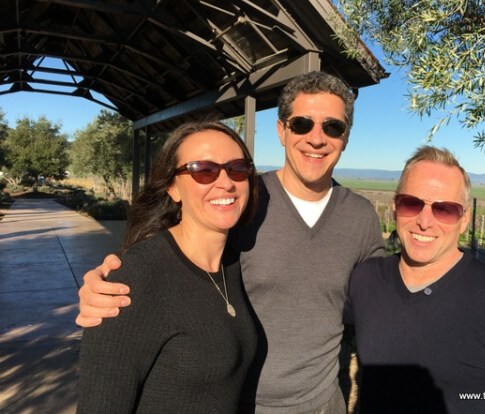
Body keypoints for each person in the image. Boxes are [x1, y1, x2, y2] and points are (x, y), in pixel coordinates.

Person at [75, 71, 385, 413]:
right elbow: (174, 256)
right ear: (281, 131)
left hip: (324, 404)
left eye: (332, 127)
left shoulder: (361, 217)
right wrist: (113, 282)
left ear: (346, 137)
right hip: (241, 404)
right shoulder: (244, 201)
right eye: (302, 124)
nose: (317, 138)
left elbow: (384, 300)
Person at [344, 146, 485, 413]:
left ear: (464, 220)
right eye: (412, 203)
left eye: (445, 209)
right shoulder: (366, 280)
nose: (425, 222)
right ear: (395, 208)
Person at [77, 121, 259, 413]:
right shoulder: (133, 279)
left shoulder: (233, 264)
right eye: (203, 170)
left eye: (237, 168)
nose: (226, 182)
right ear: (172, 187)